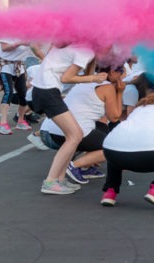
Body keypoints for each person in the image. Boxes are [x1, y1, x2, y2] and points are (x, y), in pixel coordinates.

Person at [31, 43, 107, 195]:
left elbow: (83, 73)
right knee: (75, 136)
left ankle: (59, 179)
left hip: (44, 91)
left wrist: (92, 71)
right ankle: (51, 181)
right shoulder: (85, 50)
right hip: (48, 92)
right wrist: (94, 77)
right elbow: (67, 77)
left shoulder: (79, 48)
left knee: (74, 136)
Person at [39, 63, 125, 185]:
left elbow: (102, 122)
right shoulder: (108, 87)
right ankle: (74, 165)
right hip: (66, 134)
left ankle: (86, 166)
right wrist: (120, 92)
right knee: (113, 148)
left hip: (47, 131)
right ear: (111, 72)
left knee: (103, 133)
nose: (122, 75)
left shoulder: (87, 80)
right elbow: (114, 117)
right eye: (120, 71)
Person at [0, 39, 43, 135]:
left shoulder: (31, 36)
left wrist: (47, 61)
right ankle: (2, 124)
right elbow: (4, 48)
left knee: (23, 94)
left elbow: (37, 50)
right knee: (8, 92)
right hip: (5, 65)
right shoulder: (10, 32)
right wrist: (19, 42)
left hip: (18, 65)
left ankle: (20, 121)